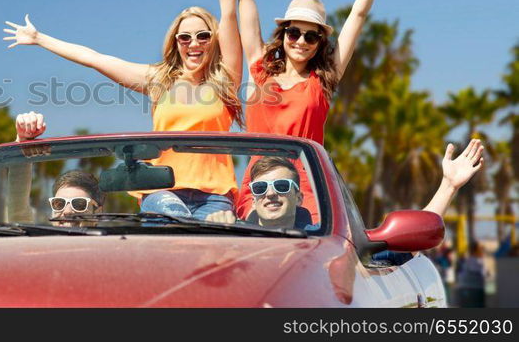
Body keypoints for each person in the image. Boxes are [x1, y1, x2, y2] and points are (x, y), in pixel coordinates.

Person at [3, 0, 245, 219]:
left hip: (214, 197)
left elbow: (229, 9)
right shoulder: (159, 82)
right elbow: (94, 58)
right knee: (176, 218)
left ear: (214, 40)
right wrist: (40, 38)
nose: (194, 43)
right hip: (162, 192)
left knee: (214, 245)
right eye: (184, 37)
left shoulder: (225, 83)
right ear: (175, 43)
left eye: (203, 36)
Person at [208, 0, 400, 221]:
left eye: (311, 36)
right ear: (283, 35)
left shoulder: (322, 81)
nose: (301, 41)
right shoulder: (261, 70)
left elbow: (358, 17)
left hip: (308, 193)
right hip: (258, 188)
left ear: (320, 42)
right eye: (294, 32)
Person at [206, 140, 484, 242]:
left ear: (299, 196)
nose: (270, 194)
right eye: (261, 188)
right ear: (252, 196)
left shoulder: (333, 241)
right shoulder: (229, 234)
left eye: (281, 186)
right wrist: (211, 234)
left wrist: (449, 185)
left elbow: (407, 245)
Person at [7, 111, 104, 224]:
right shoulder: (36, 242)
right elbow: (18, 213)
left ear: (97, 213)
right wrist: (23, 141)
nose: (67, 212)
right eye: (59, 204)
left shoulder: (118, 241)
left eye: (79, 204)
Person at [455, 240, 489, 307]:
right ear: (477, 250)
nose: (482, 251)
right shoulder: (475, 261)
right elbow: (483, 274)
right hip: (472, 290)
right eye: (481, 249)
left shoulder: (470, 260)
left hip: (467, 289)